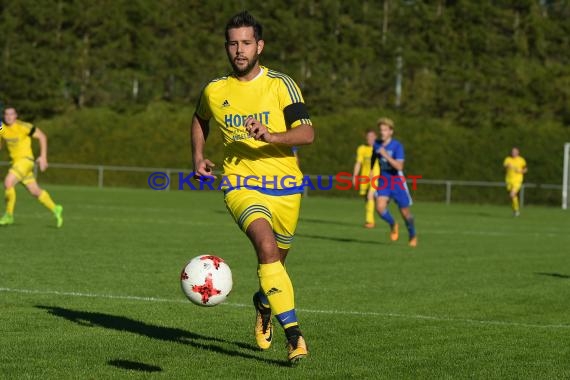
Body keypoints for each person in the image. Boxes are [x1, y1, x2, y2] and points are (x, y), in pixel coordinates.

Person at [190, 11, 314, 363]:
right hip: (240, 183)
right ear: (226, 47)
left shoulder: (282, 84)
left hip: (285, 186)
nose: (239, 50)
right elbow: (200, 118)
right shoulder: (215, 89)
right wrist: (198, 156)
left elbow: (307, 133)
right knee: (265, 247)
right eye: (233, 43)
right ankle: (295, 337)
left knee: (276, 262)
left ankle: (263, 302)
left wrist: (271, 135)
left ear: (259, 46)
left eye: (246, 43)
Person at [0, 107, 63, 227]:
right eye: (6, 114)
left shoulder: (24, 126)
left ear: (16, 115)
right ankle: (56, 209)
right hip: (15, 163)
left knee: (8, 182)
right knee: (35, 191)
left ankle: (9, 215)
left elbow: (42, 137)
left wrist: (43, 157)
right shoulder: (2, 128)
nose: (8, 116)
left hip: (26, 161)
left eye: (11, 114)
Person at [370, 117, 417, 247]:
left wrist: (386, 155)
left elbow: (399, 167)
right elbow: (374, 158)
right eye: (381, 130)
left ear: (391, 131)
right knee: (379, 208)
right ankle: (392, 223)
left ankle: (412, 235)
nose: (382, 132)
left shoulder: (397, 146)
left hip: (397, 181)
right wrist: (371, 171)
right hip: (383, 180)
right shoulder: (377, 144)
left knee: (405, 213)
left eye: (385, 130)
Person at [352, 129, 380, 228]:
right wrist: (355, 175)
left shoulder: (379, 148)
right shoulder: (362, 148)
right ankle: (372, 217)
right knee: (366, 198)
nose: (370, 138)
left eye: (372, 136)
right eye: (368, 136)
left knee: (370, 196)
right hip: (364, 177)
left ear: (375, 137)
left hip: (376, 176)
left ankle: (370, 221)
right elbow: (358, 163)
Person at [503, 147, 527, 217]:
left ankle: (516, 211)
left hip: (518, 180)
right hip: (509, 180)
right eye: (512, 151)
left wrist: (521, 171)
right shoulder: (508, 159)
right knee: (513, 196)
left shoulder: (521, 160)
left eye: (515, 151)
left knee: (512, 194)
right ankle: (515, 210)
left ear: (518, 152)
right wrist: (508, 165)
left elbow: (525, 169)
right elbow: (504, 165)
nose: (513, 153)